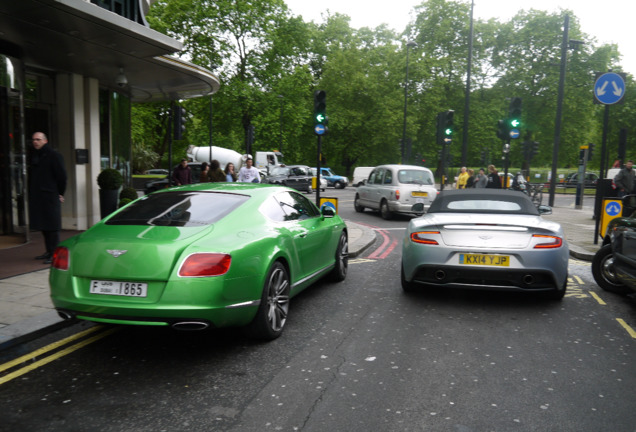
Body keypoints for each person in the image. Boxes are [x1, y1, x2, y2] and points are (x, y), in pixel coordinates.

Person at [29, 132, 67, 264]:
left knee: (52, 226)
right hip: (39, 197)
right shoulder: (35, 156)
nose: (35, 142)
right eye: (34, 139)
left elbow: (62, 176)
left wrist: (60, 193)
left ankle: (54, 253)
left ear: (45, 141)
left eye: (38, 139)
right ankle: (49, 251)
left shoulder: (54, 156)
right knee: (44, 226)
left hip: (50, 195)